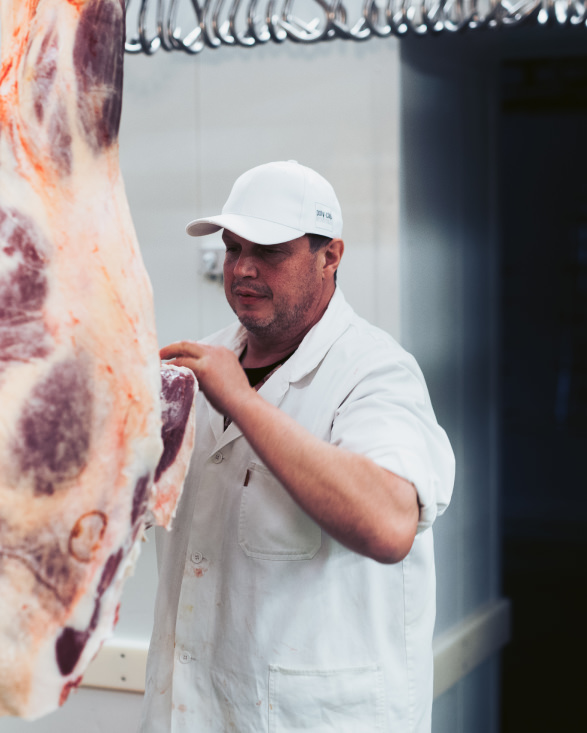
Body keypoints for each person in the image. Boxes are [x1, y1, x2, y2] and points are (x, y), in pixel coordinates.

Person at [139, 160, 455, 733]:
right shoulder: (199, 365)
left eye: (270, 251)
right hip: (190, 711)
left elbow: (388, 525)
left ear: (329, 256)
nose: (243, 270)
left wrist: (242, 402)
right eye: (234, 249)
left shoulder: (376, 372)